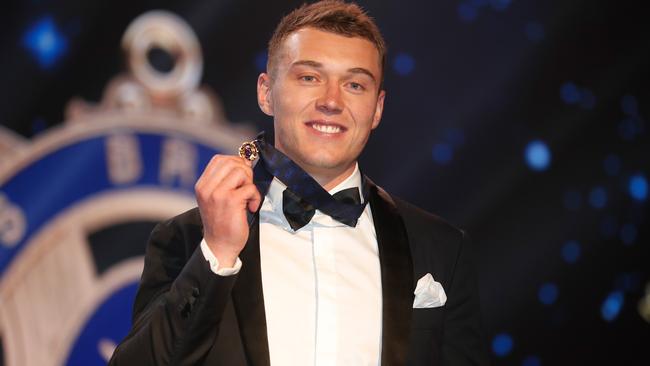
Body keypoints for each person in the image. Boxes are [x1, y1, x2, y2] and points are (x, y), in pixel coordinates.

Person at [109, 1, 488, 365]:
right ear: (266, 92)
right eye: (309, 78)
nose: (331, 101)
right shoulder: (188, 238)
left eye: (355, 85)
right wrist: (218, 254)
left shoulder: (439, 249)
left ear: (377, 108)